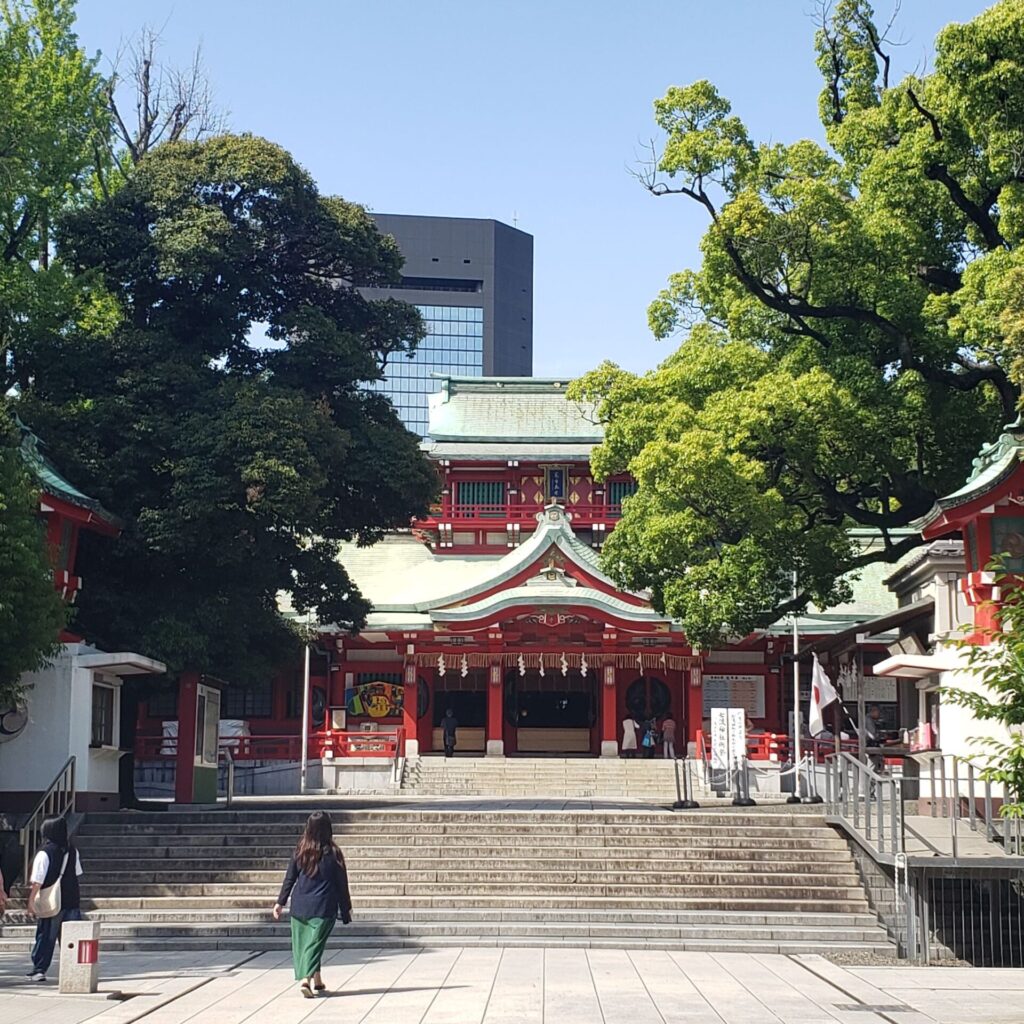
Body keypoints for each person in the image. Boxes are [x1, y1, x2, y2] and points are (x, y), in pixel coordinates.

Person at [273, 811, 352, 998]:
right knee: (314, 945)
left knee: (306, 944)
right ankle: (305, 980)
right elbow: (342, 884)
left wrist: (280, 902)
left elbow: (290, 878)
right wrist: (345, 908)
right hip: (323, 907)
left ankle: (317, 980)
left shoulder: (300, 849)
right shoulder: (333, 853)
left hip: (300, 906)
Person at [26, 816, 83, 982]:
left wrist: (31, 901)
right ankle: (75, 970)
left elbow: (38, 881)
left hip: (52, 902)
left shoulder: (45, 852)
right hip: (72, 900)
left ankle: (39, 969)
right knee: (71, 938)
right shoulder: (72, 851)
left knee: (46, 936)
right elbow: (77, 873)